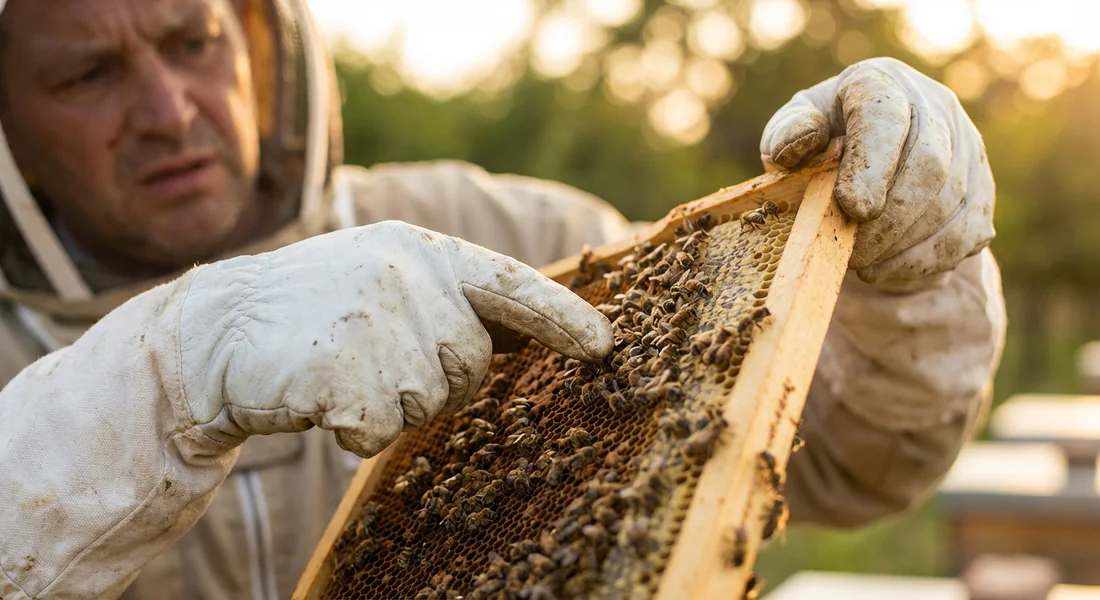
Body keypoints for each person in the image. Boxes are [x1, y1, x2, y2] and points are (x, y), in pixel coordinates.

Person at [0, 0, 1006, 598]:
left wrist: (902, 273)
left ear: (258, 42)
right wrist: (162, 381)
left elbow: (849, 462)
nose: (169, 111)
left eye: (193, 40)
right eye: (88, 74)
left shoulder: (502, 231)